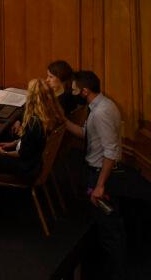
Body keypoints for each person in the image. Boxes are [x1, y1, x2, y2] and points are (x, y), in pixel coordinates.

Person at [63, 70, 151, 278]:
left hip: (101, 174)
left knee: (109, 230)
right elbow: (87, 134)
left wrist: (100, 185)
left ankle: (115, 272)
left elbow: (111, 152)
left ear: (84, 91)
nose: (73, 93)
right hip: (99, 171)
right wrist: (62, 121)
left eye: (75, 90)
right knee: (107, 228)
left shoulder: (101, 113)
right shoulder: (103, 105)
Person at [0, 78, 60, 193]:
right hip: (35, 162)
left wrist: (5, 153)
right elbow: (31, 143)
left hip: (27, 168)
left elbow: (23, 154)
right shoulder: (49, 114)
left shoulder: (33, 123)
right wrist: (12, 143)